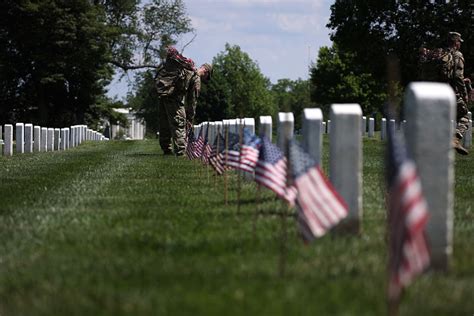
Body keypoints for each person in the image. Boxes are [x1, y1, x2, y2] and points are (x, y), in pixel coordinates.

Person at [157, 48, 213, 156]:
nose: (204, 79)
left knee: (164, 123)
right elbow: (192, 101)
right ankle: (181, 151)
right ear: (206, 72)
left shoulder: (185, 68)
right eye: (206, 77)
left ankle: (166, 149)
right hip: (174, 98)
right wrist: (190, 119)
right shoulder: (195, 77)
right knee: (179, 123)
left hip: (164, 93)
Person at [447, 32, 470, 155]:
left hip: (435, 92)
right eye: (459, 41)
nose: (460, 43)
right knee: (464, 116)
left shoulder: (441, 54)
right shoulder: (457, 55)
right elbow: (457, 76)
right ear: (456, 42)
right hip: (451, 92)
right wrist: (464, 93)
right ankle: (455, 140)